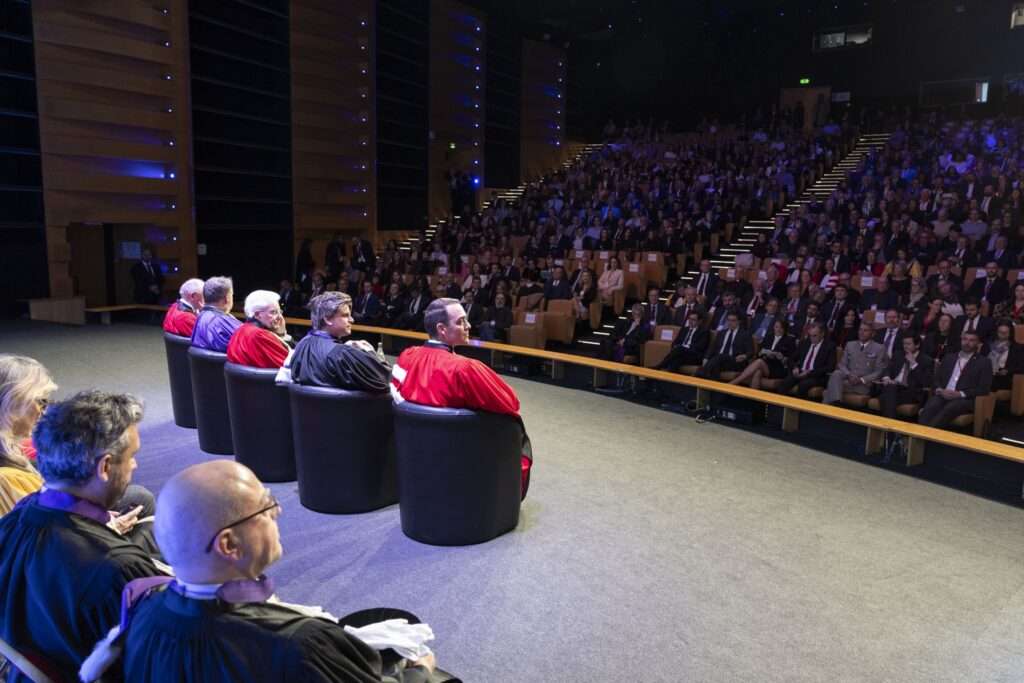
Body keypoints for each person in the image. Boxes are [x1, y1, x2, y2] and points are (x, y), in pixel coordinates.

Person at [81, 460, 443, 683]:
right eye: (265, 507)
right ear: (229, 545)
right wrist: (419, 671)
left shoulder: (143, 612)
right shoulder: (298, 644)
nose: (277, 513)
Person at [0, 391, 164, 682]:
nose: (135, 466)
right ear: (104, 467)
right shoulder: (117, 570)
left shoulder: (15, 519)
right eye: (132, 457)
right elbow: (158, 663)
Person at [390, 298, 533, 498]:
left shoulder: (407, 356)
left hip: (415, 454)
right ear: (442, 329)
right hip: (460, 455)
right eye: (461, 322)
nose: (469, 326)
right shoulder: (464, 369)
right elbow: (511, 403)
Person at [289, 292, 391, 392]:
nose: (352, 320)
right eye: (345, 315)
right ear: (327, 319)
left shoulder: (301, 345)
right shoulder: (341, 355)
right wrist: (369, 352)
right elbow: (386, 380)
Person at [918, 330, 993, 428]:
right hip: (943, 394)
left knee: (949, 408)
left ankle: (927, 437)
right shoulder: (949, 357)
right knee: (931, 406)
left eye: (971, 340)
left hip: (964, 399)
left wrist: (960, 394)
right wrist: (940, 390)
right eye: (965, 339)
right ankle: (920, 435)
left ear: (978, 344)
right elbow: (936, 379)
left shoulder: (984, 362)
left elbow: (983, 389)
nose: (967, 343)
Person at [823, 322, 888, 405]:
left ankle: (832, 408)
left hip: (864, 385)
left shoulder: (879, 348)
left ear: (872, 333)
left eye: (865, 330)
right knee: (837, 373)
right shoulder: (850, 344)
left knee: (829, 390)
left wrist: (861, 379)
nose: (861, 332)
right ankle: (836, 404)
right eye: (860, 330)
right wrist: (849, 375)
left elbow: (879, 371)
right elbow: (842, 364)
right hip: (848, 381)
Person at [226, 290, 293, 369]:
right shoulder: (259, 336)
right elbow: (292, 366)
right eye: (273, 312)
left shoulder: (241, 330)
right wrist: (283, 336)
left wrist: (281, 334)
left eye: (280, 312)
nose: (279, 317)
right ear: (257, 315)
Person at [729, 319, 797, 390]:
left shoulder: (790, 340)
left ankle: (734, 383)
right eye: (776, 327)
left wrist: (781, 357)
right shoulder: (768, 337)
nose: (778, 329)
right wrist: (763, 353)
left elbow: (791, 359)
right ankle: (752, 399)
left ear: (785, 329)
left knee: (759, 362)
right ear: (773, 327)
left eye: (781, 328)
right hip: (767, 364)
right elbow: (759, 353)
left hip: (779, 368)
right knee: (758, 372)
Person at [875, 335, 933, 419]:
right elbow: (888, 368)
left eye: (908, 344)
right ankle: (890, 427)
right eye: (904, 344)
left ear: (917, 345)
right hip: (894, 388)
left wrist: (914, 364)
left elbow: (925, 382)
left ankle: (888, 425)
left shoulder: (926, 360)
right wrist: (887, 378)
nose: (905, 346)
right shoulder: (898, 354)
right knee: (890, 391)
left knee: (886, 395)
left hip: (911, 392)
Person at [777, 323, 836, 398]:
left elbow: (830, 367)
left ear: (822, 334)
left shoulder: (829, 346)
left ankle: (799, 409)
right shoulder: (805, 343)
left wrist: (809, 373)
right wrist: (795, 367)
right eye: (810, 335)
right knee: (784, 383)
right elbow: (791, 359)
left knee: (803, 385)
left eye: (815, 336)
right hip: (800, 372)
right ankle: (780, 408)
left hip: (816, 376)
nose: (812, 338)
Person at [191, 276, 242, 353]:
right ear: (227, 299)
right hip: (225, 363)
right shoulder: (222, 322)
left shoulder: (200, 316)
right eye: (232, 295)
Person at [697, 312, 752, 381]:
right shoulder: (721, 333)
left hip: (734, 361)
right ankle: (712, 385)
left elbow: (750, 351)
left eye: (733, 320)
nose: (730, 322)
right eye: (728, 320)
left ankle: (699, 375)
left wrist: (745, 356)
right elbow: (712, 347)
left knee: (718, 358)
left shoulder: (745, 334)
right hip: (718, 360)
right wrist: (706, 358)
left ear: (739, 321)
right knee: (716, 363)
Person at [988, 321, 1023, 391]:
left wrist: (1007, 371)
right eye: (1000, 332)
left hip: (1005, 377)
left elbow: (1021, 367)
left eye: (1005, 333)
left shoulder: (1018, 348)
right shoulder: (988, 346)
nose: (1002, 335)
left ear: (1010, 333)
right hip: (987, 374)